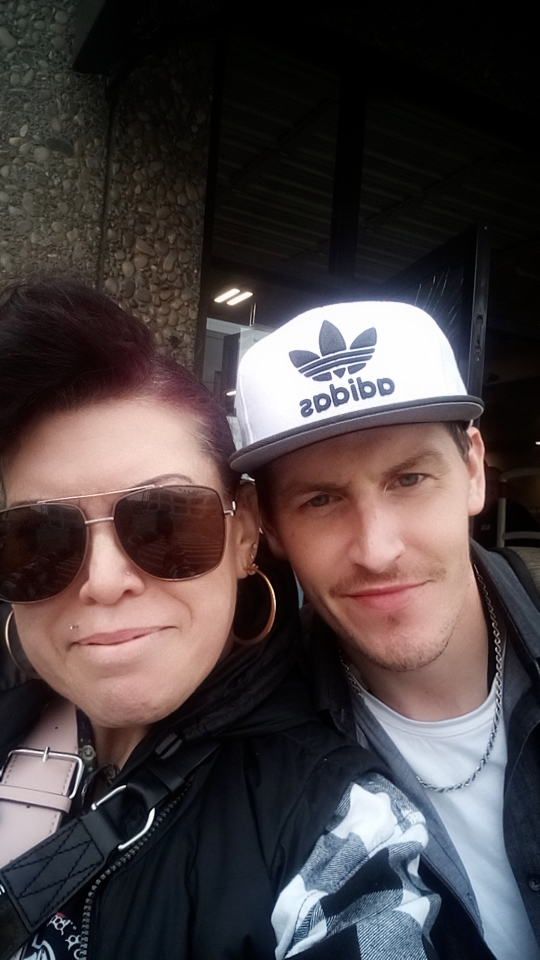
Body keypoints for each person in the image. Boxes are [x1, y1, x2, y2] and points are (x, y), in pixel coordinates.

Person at [0, 278, 440, 960]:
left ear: (244, 533)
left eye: (166, 521)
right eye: (40, 538)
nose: (105, 582)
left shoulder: (333, 827)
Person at [231, 300, 540, 960]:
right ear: (269, 524)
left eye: (409, 478)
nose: (377, 549)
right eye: (321, 498)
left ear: (473, 469)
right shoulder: (258, 766)